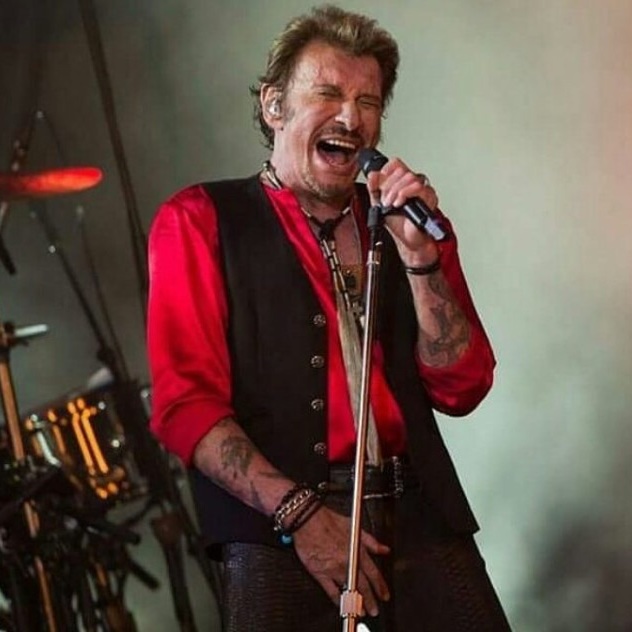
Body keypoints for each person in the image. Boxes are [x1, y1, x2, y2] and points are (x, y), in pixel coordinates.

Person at [147, 5, 511, 631]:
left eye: (368, 101)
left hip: (417, 510)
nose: (351, 117)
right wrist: (300, 515)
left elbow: (463, 386)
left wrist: (421, 260)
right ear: (274, 105)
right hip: (279, 526)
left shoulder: (407, 226)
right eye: (328, 93)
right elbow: (186, 405)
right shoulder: (199, 220)